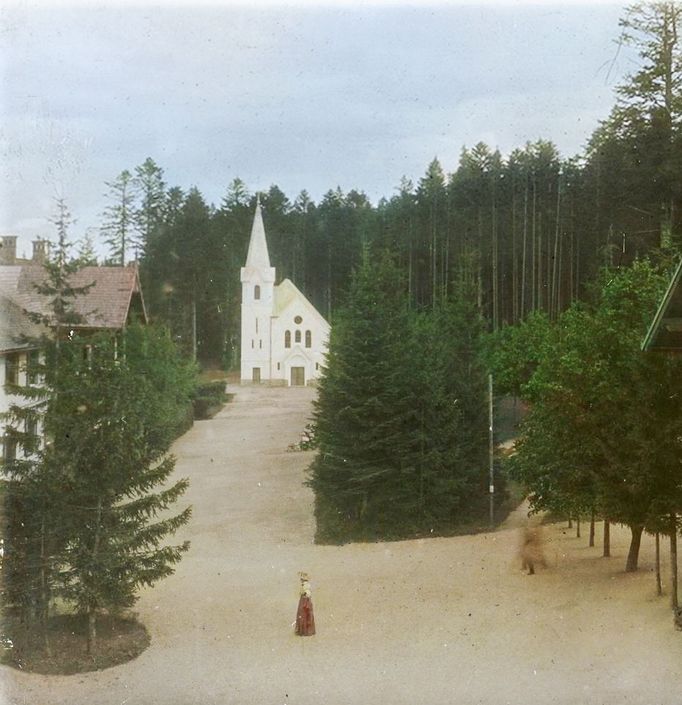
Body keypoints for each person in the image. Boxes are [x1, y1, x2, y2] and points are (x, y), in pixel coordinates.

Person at [295, 572, 315, 636]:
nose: (301, 580)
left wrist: (304, 594)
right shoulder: (304, 585)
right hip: (304, 600)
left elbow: (307, 593)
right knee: (303, 614)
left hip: (305, 600)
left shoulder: (306, 585)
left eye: (302, 579)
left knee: (304, 614)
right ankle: (304, 630)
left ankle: (304, 631)